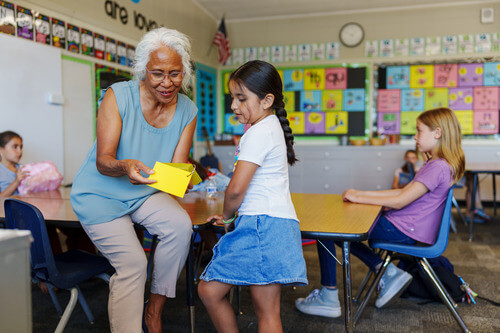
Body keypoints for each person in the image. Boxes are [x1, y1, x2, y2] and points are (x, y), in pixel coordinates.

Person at [70, 27, 197, 333]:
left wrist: (185, 179)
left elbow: (177, 167)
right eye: (157, 73)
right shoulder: (118, 96)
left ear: (184, 73)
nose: (167, 83)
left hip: (144, 192)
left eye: (175, 74)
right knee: (134, 264)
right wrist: (125, 166)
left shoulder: (188, 110)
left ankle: (154, 309)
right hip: (100, 194)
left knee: (181, 226)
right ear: (143, 70)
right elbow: (104, 161)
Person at [295, 107, 465, 317]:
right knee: (339, 228)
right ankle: (387, 271)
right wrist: (363, 194)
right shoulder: (440, 164)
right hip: (407, 229)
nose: (415, 136)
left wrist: (359, 197)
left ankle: (329, 295)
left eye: (420, 131)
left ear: (437, 133)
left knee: (327, 229)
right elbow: (403, 192)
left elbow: (401, 200)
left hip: (402, 231)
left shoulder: (437, 167)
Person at [198, 60, 307, 332]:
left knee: (210, 291)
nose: (234, 106)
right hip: (273, 223)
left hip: (262, 225)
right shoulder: (269, 127)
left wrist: (226, 218)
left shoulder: (258, 132)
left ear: (267, 100)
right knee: (266, 310)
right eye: (232, 98)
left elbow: (235, 189)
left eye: (241, 98)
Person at [0, 131, 29, 197]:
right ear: (1, 150)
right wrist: (16, 181)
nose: (20, 151)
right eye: (15, 147)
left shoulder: (22, 168)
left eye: (21, 147)